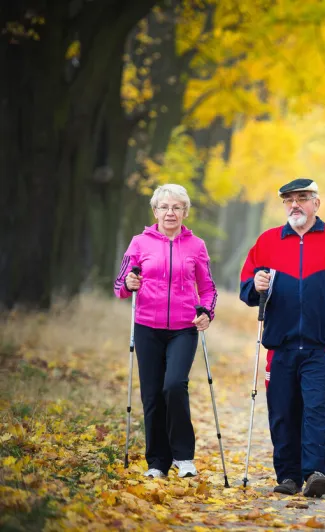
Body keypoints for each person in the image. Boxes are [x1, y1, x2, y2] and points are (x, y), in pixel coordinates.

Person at [239, 178, 325, 498]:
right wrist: (256, 284)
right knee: (282, 410)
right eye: (288, 200)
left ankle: (315, 473)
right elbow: (247, 287)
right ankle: (288, 476)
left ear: (316, 203)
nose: (294, 204)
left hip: (321, 344)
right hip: (279, 344)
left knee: (317, 408)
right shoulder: (267, 242)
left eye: (302, 198)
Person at [114, 184, 218, 479]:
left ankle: (183, 456)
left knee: (173, 386)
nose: (170, 213)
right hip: (147, 326)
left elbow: (208, 289)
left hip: (184, 329)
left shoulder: (196, 246)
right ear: (155, 211)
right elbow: (120, 286)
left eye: (176, 207)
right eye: (164, 207)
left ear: (185, 212)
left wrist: (206, 312)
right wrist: (128, 285)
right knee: (151, 395)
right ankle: (157, 462)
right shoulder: (138, 243)